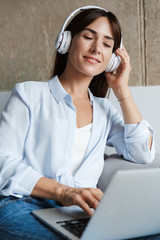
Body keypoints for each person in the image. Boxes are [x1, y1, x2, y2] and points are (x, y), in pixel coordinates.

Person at [0, 5, 157, 240]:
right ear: (66, 42)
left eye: (106, 44)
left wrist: (122, 90)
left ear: (113, 59)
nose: (96, 48)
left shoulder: (105, 110)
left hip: (77, 213)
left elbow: (143, 152)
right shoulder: (29, 94)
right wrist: (63, 191)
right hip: (24, 204)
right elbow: (3, 162)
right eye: (88, 37)